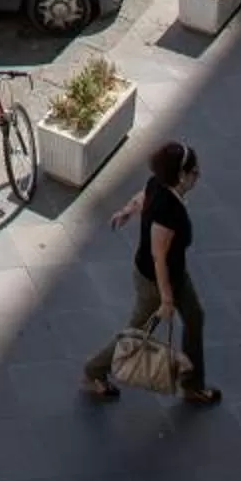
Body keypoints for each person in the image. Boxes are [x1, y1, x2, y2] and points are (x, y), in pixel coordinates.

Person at [82, 139, 220, 406]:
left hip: (175, 274)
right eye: (194, 172)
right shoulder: (168, 212)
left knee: (194, 317)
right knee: (135, 334)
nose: (198, 175)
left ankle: (192, 386)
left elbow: (142, 195)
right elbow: (159, 257)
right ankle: (94, 371)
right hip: (154, 283)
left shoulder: (159, 184)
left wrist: (127, 210)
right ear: (181, 176)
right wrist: (166, 300)